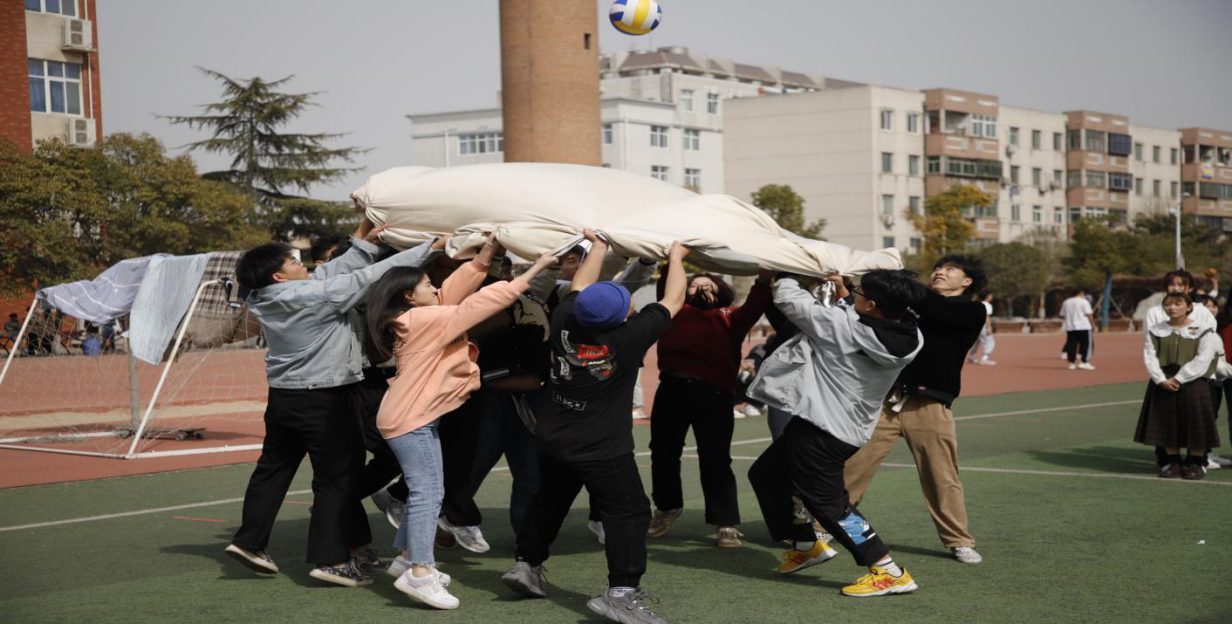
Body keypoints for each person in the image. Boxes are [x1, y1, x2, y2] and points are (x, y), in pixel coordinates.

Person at [225, 218, 436, 588]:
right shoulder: (314, 297)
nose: (304, 266)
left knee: (272, 470)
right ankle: (333, 560)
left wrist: (365, 241)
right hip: (325, 400)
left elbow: (332, 273)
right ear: (279, 276)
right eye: (294, 263)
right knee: (336, 479)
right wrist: (429, 249)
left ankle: (249, 541)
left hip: (283, 398)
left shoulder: (263, 296)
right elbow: (367, 279)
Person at [501, 230, 687, 624]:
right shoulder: (628, 337)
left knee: (550, 500)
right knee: (631, 512)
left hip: (553, 436)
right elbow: (673, 300)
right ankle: (621, 593)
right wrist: (677, 256)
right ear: (622, 315)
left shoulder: (565, 318)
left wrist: (597, 245)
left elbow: (580, 284)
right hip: (601, 446)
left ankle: (526, 564)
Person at [367, 233, 557, 610]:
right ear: (409, 296)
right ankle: (420, 572)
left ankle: (406, 557)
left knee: (428, 491)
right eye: (427, 284)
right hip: (410, 418)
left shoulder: (415, 314)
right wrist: (534, 270)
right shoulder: (421, 320)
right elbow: (477, 304)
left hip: (414, 415)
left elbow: (453, 291)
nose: (435, 287)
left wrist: (487, 251)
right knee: (428, 494)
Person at [747, 270, 925, 597]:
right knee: (766, 475)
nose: (854, 295)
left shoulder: (841, 326)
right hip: (834, 424)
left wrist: (787, 271)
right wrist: (845, 292)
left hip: (824, 433)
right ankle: (805, 545)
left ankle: (888, 570)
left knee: (832, 507)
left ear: (872, 305)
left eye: (861, 292)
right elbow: (862, 315)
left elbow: (788, 299)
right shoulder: (911, 332)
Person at [843, 255, 988, 565]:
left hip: (931, 405)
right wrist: (845, 286)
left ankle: (959, 541)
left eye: (950, 269)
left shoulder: (972, 310)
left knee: (942, 476)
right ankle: (823, 527)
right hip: (885, 401)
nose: (939, 272)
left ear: (967, 282)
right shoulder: (910, 304)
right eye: (937, 268)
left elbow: (938, 312)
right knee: (854, 466)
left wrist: (902, 281)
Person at [646, 268, 772, 548]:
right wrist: (673, 261)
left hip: (714, 394)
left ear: (721, 292)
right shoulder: (673, 310)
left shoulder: (732, 317)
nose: (700, 288)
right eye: (693, 285)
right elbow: (667, 284)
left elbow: (756, 303)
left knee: (716, 458)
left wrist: (764, 279)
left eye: (708, 285)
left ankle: (725, 522)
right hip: (672, 389)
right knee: (663, 452)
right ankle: (667, 507)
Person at [1136, 292, 1224, 480]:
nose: (1172, 307)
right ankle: (1173, 462)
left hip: (1194, 380)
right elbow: (1150, 356)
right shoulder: (1156, 329)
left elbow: (1204, 357)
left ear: (1189, 307)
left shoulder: (1203, 328)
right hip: (1164, 381)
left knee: (1197, 423)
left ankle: (1196, 462)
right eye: (1168, 304)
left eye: (1178, 303)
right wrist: (1160, 379)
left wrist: (1180, 378)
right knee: (1168, 422)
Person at [1059, 288, 1096, 370]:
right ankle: (1084, 362)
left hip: (1070, 327)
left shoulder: (1066, 302)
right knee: (1086, 344)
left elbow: (1062, 315)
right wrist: (1093, 324)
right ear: (1081, 293)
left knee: (1071, 345)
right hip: (1084, 326)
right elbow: (1089, 314)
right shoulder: (1084, 302)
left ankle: (1071, 363)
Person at [966, 292, 996, 366]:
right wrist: (989, 327)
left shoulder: (977, 303)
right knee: (990, 342)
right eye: (991, 295)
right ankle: (984, 359)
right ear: (987, 296)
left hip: (974, 325)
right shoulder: (987, 305)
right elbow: (986, 316)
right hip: (983, 326)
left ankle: (970, 357)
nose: (992, 296)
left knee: (976, 342)